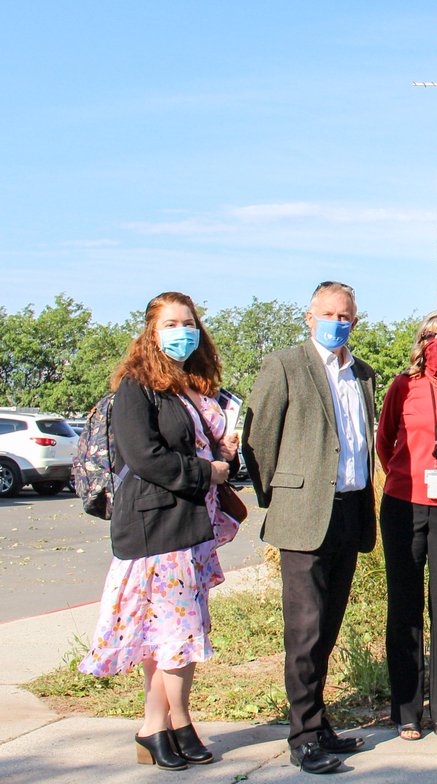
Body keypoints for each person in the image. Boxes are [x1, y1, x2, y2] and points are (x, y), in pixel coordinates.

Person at [79, 291, 238, 771]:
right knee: (178, 635)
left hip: (191, 526)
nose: (181, 331)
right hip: (156, 528)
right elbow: (144, 456)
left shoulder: (189, 386)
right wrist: (204, 472)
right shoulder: (136, 386)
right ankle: (167, 723)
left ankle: (164, 725)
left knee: (165, 635)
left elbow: (206, 448)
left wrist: (224, 452)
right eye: (170, 323)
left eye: (188, 322)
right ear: (151, 331)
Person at [242, 281, 376, 775]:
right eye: (330, 313)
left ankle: (320, 724)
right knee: (305, 630)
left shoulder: (361, 372)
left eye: (347, 316)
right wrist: (277, 499)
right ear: (310, 315)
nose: (339, 322)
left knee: (328, 627)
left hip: (349, 510)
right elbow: (258, 439)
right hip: (303, 514)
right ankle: (302, 736)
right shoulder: (285, 364)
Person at [375, 309, 437, 740]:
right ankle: (407, 710)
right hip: (403, 504)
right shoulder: (403, 385)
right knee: (404, 608)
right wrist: (405, 477)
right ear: (420, 341)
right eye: (431, 334)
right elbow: (385, 441)